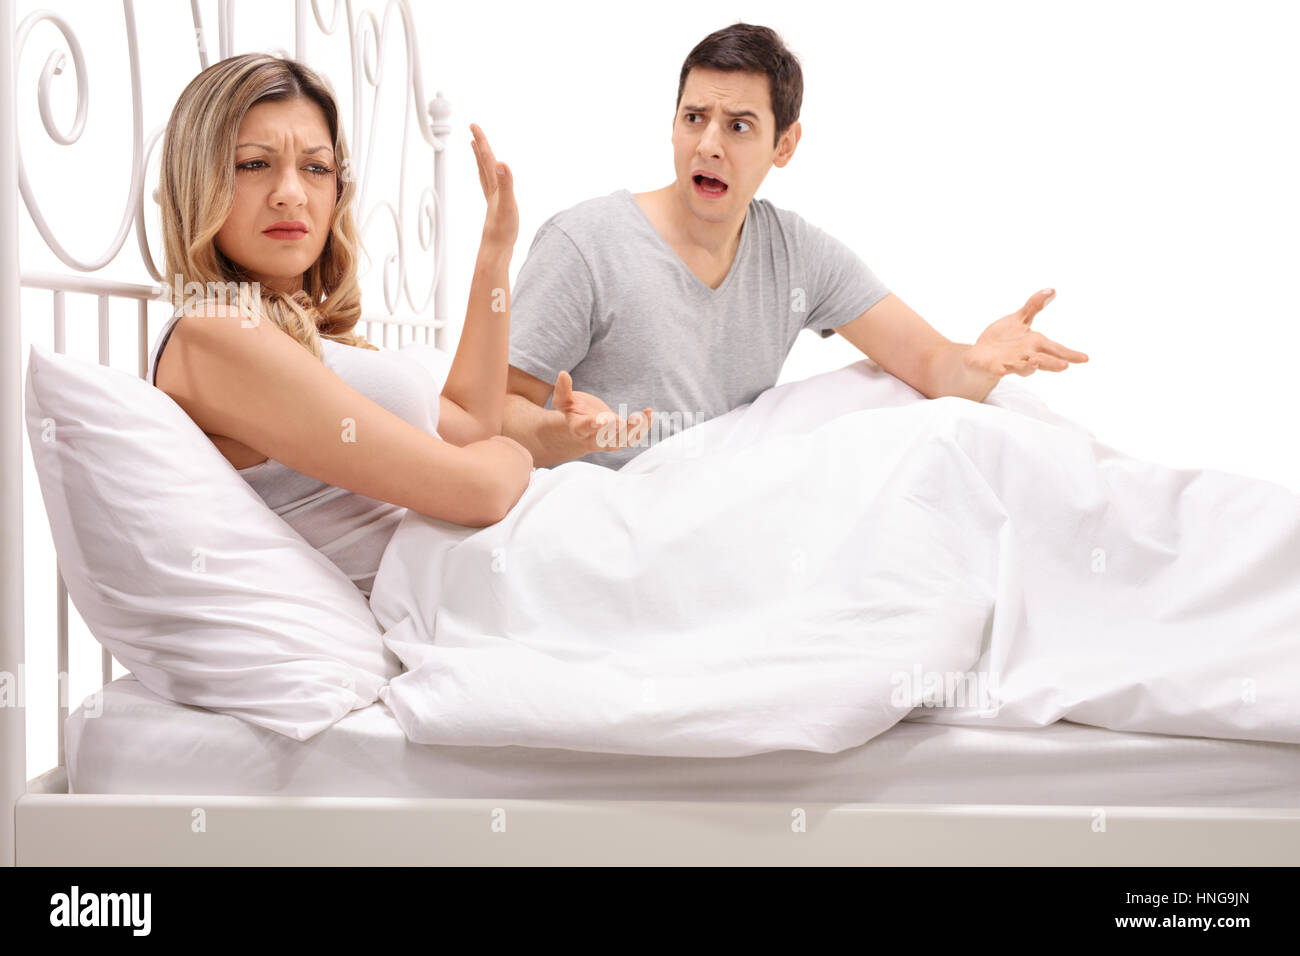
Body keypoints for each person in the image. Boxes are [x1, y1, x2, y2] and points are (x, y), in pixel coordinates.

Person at [501, 22, 1090, 470]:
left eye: (738, 125)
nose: (708, 144)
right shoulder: (584, 244)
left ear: (785, 145)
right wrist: (565, 434)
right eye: (693, 117)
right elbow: (488, 414)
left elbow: (931, 364)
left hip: (718, 510)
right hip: (599, 515)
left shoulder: (796, 254)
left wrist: (978, 360)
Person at [148, 53, 531, 596]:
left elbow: (471, 426)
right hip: (471, 582)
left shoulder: (306, 339)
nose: (291, 193)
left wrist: (495, 253)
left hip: (485, 570)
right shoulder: (210, 333)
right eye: (254, 164)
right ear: (199, 181)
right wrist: (519, 457)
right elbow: (479, 488)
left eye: (316, 167)